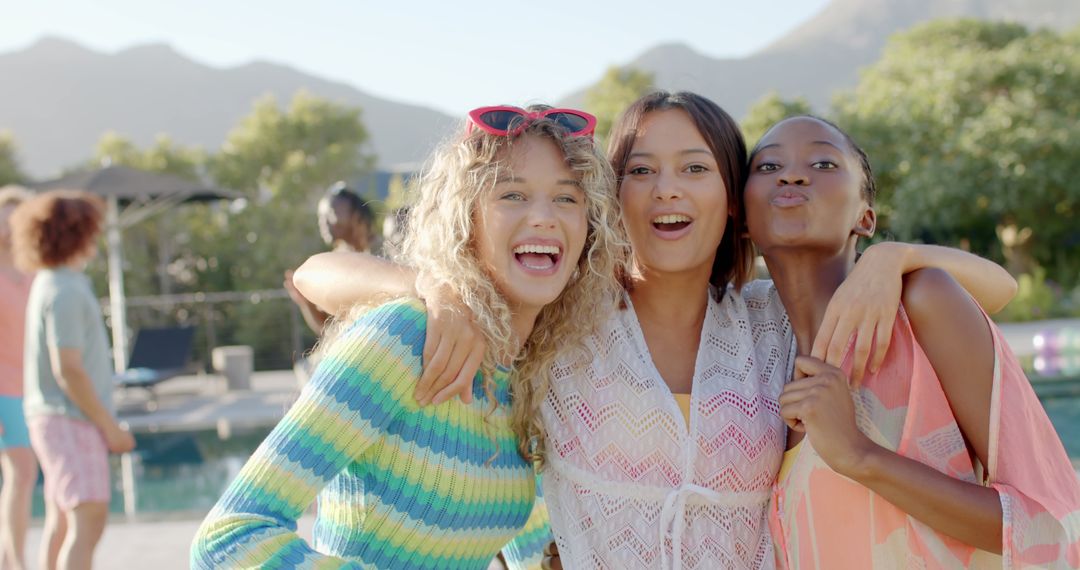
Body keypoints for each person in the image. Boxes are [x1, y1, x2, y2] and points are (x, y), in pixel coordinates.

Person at [292, 92, 1017, 569]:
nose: (668, 188)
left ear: (732, 201)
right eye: (643, 170)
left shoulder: (773, 325)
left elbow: (998, 290)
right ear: (616, 196)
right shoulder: (564, 314)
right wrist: (433, 288)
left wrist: (892, 258)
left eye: (695, 168)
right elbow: (316, 276)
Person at [190, 104, 626, 569]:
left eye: (566, 198)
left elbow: (528, 545)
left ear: (590, 230)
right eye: (512, 195)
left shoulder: (530, 371)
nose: (543, 217)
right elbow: (227, 540)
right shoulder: (405, 338)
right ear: (467, 220)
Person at [749, 115, 1080, 568]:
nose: (792, 173)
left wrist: (859, 455)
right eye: (767, 167)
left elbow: (1051, 523)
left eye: (824, 163)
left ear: (865, 217)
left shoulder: (923, 303)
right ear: (743, 220)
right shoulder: (743, 345)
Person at [11, 190, 136, 570]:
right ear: (76, 235)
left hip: (52, 418)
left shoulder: (49, 282)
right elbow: (69, 369)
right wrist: (109, 427)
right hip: (70, 419)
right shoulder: (64, 289)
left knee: (62, 519)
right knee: (88, 518)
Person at [284, 182, 376, 337]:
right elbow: (328, 331)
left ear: (355, 216)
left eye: (330, 214)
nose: (323, 222)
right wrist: (306, 303)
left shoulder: (385, 252)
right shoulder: (335, 261)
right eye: (320, 216)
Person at [0, 185, 36, 570]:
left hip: (33, 392)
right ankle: (14, 562)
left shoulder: (33, 273)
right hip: (2, 391)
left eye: (16, 217)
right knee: (21, 472)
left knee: (25, 476)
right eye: (4, 217)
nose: (9, 226)